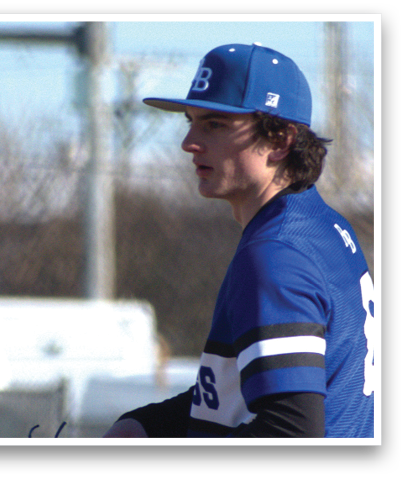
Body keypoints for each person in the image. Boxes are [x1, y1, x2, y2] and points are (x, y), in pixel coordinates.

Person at [103, 43, 374, 438]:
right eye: (190, 121)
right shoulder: (325, 227)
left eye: (215, 124)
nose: (189, 141)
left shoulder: (276, 254)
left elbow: (291, 432)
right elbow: (245, 396)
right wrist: (145, 426)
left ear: (281, 140)